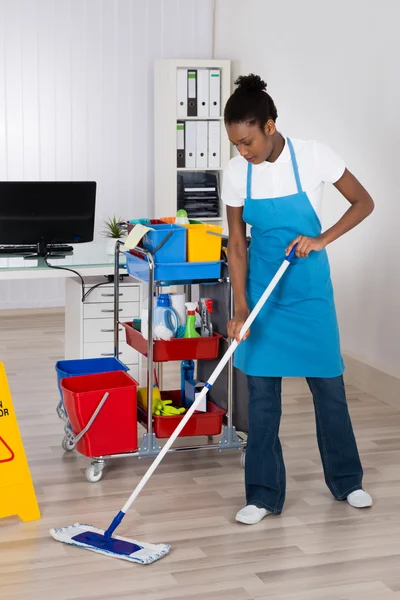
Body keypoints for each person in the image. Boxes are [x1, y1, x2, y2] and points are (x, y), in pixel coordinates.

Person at [222, 74, 375, 525]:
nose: (242, 152)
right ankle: (263, 494)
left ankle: (347, 481)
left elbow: (363, 202)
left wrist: (322, 238)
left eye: (247, 141)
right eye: (235, 144)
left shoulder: (313, 156)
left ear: (269, 126)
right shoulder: (236, 174)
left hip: (308, 292)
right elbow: (236, 243)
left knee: (329, 387)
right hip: (262, 294)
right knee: (263, 396)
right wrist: (240, 309)